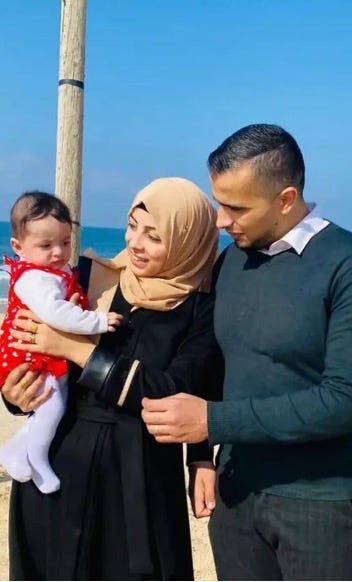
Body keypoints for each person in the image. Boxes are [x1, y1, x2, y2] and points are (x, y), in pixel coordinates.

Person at [142, 124, 352, 581]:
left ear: (286, 198)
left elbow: (346, 402)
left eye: (235, 207)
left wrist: (212, 422)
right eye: (219, 202)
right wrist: (201, 454)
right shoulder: (231, 261)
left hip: (323, 503)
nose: (221, 220)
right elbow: (210, 364)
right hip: (237, 491)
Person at [1, 177, 223, 580]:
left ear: (187, 241)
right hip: (58, 464)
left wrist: (76, 350)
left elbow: (173, 393)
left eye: (154, 236)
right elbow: (32, 347)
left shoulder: (200, 310)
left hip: (139, 477)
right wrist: (16, 395)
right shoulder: (90, 277)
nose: (135, 243)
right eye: (132, 226)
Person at [0, 191, 122, 494]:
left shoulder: (52, 270)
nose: (59, 252)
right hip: (29, 356)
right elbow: (58, 313)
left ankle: (16, 449)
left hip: (39, 354)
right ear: (18, 247)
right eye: (46, 245)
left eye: (65, 242)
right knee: (51, 405)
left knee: (52, 403)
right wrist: (99, 321)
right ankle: (37, 459)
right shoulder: (34, 278)